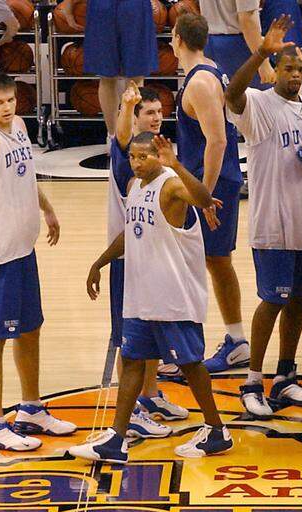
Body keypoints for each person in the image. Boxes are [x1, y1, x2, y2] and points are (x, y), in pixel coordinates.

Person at [70, 133, 233, 463]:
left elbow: (202, 198)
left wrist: (176, 164)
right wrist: (100, 261)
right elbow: (130, 233)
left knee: (190, 364)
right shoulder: (134, 187)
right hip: (141, 295)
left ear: (159, 157)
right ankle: (116, 439)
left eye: (144, 157)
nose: (137, 162)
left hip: (173, 296)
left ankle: (217, 430)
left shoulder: (171, 184)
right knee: (131, 361)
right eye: (132, 157)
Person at [0, 61, 76, 451]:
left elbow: (25, 176)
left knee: (31, 329)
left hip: (23, 250)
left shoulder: (21, 129)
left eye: (10, 100)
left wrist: (46, 207)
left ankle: (31, 408)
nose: (6, 108)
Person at [223, 16, 302, 417]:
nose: (297, 75)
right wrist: (260, 54)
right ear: (276, 72)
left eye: (301, 69)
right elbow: (231, 94)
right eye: (289, 68)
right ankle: (252, 381)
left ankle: (286, 376)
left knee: (300, 299)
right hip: (271, 225)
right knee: (272, 301)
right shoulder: (260, 103)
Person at [108, 82, 192, 431]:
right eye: (149, 112)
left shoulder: (157, 153)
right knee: (126, 338)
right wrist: (127, 107)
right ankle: (131, 415)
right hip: (127, 256)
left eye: (159, 112)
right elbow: (121, 134)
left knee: (152, 327)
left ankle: (150, 394)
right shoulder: (128, 153)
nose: (156, 118)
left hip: (154, 256)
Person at [172, 14, 249, 373]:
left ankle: (194, 348)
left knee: (203, 263)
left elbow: (217, 141)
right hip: (209, 182)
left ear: (178, 39)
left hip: (210, 185)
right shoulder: (211, 69)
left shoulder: (200, 82)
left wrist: (206, 195)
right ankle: (235, 340)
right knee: (216, 263)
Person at [58, 0, 158, 134]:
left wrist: (69, 5)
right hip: (134, 7)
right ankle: (131, 136)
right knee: (135, 79)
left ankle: (113, 137)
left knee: (107, 78)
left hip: (102, 7)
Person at [199, 0, 274, 86]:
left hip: (209, 40)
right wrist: (262, 61)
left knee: (218, 96)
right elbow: (248, 19)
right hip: (239, 45)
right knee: (256, 97)